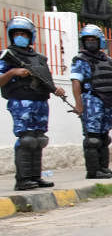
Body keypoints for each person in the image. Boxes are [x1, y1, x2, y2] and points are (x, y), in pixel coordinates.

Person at [0, 15, 69, 190]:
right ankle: (22, 180)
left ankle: (35, 177)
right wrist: (14, 72)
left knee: (39, 139)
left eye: (24, 33)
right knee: (27, 140)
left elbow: (45, 79)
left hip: (40, 101)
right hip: (21, 101)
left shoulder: (39, 58)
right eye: (17, 33)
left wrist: (56, 89)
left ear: (31, 35)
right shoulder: (7, 56)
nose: (20, 36)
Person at [69, 23, 112, 179]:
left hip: (107, 101)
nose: (90, 42)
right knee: (92, 138)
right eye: (87, 40)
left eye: (93, 39)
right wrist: (79, 103)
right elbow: (76, 82)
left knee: (104, 137)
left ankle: (104, 168)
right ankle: (93, 171)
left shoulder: (107, 59)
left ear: (100, 40)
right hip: (91, 100)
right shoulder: (80, 60)